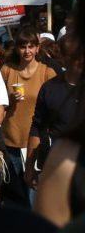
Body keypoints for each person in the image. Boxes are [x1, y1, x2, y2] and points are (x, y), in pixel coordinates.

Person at [1, 28, 56, 206]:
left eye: (31, 46)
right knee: (15, 195)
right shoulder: (7, 70)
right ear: (17, 48)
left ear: (37, 48)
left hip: (36, 142)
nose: (27, 51)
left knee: (35, 193)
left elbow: (54, 107)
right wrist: (9, 99)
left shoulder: (47, 72)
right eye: (23, 46)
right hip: (10, 140)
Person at [24, 36, 80, 189]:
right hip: (56, 169)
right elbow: (36, 127)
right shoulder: (49, 88)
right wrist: (29, 168)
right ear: (62, 57)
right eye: (73, 55)